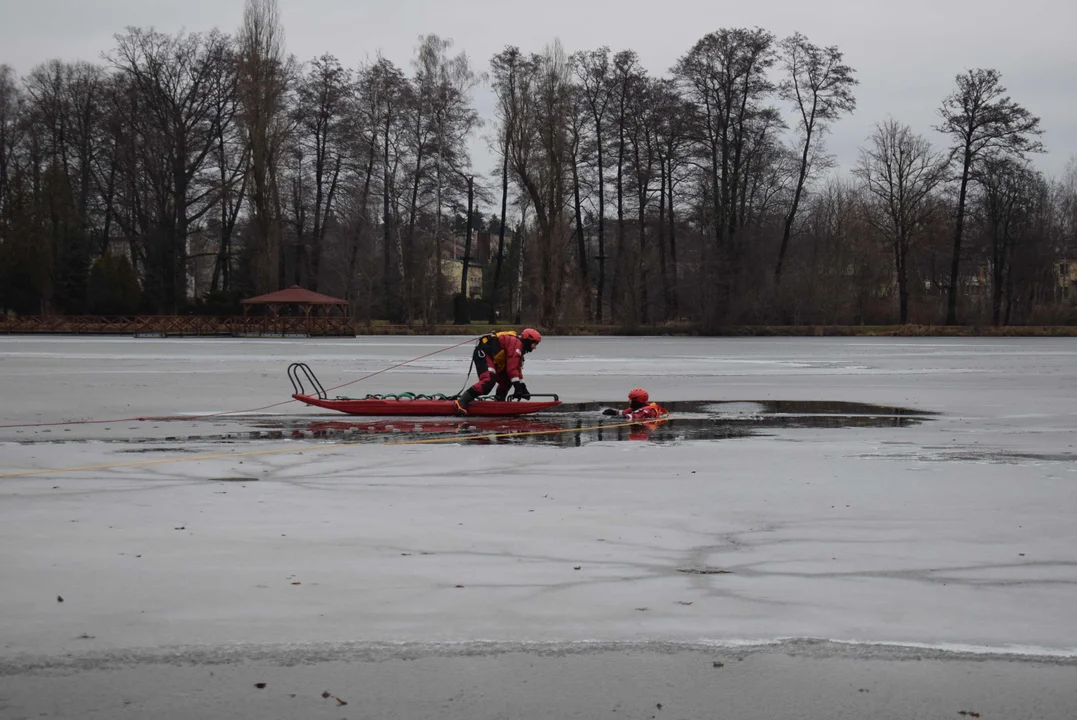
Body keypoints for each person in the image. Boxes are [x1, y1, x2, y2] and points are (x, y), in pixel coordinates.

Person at [454, 328, 542, 415]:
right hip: (484, 354)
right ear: (528, 341)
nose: (534, 347)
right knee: (488, 381)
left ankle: (499, 402)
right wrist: (517, 388)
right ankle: (462, 401)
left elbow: (517, 369)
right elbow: (511, 369)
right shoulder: (516, 344)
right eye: (534, 344)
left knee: (507, 381)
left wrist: (522, 388)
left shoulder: (519, 348)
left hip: (492, 358)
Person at [603, 387, 668, 421]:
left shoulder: (645, 411)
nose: (629, 401)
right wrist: (614, 412)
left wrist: (617, 418)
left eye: (630, 399)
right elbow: (625, 412)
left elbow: (635, 416)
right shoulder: (636, 408)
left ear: (636, 401)